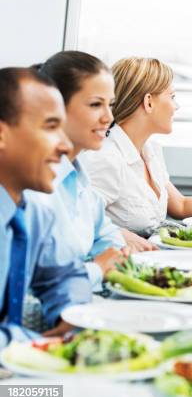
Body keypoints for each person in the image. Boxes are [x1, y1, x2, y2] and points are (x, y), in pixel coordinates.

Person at [82, 57, 192, 239]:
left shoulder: (150, 151)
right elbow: (80, 219)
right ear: (149, 102)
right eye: (172, 97)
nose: (176, 106)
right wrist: (122, 235)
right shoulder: (106, 157)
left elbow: (181, 205)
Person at [0, 67, 91, 346]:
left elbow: (63, 274)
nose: (65, 145)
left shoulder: (33, 213)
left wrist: (71, 312)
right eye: (51, 127)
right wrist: (30, 345)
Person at [31, 51, 128, 289]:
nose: (109, 117)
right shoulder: (32, 185)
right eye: (96, 104)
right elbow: (34, 284)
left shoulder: (82, 183)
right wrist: (96, 269)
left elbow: (111, 243)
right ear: (55, 107)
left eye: (110, 105)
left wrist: (105, 262)